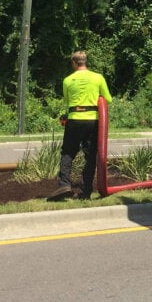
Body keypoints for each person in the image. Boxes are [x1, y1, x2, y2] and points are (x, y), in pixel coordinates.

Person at [49, 50, 113, 200]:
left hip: (74, 119)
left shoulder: (67, 80)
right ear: (85, 61)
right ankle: (85, 191)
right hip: (92, 121)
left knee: (67, 152)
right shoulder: (98, 77)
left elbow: (67, 101)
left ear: (73, 62)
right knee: (90, 156)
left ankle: (64, 184)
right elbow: (108, 99)